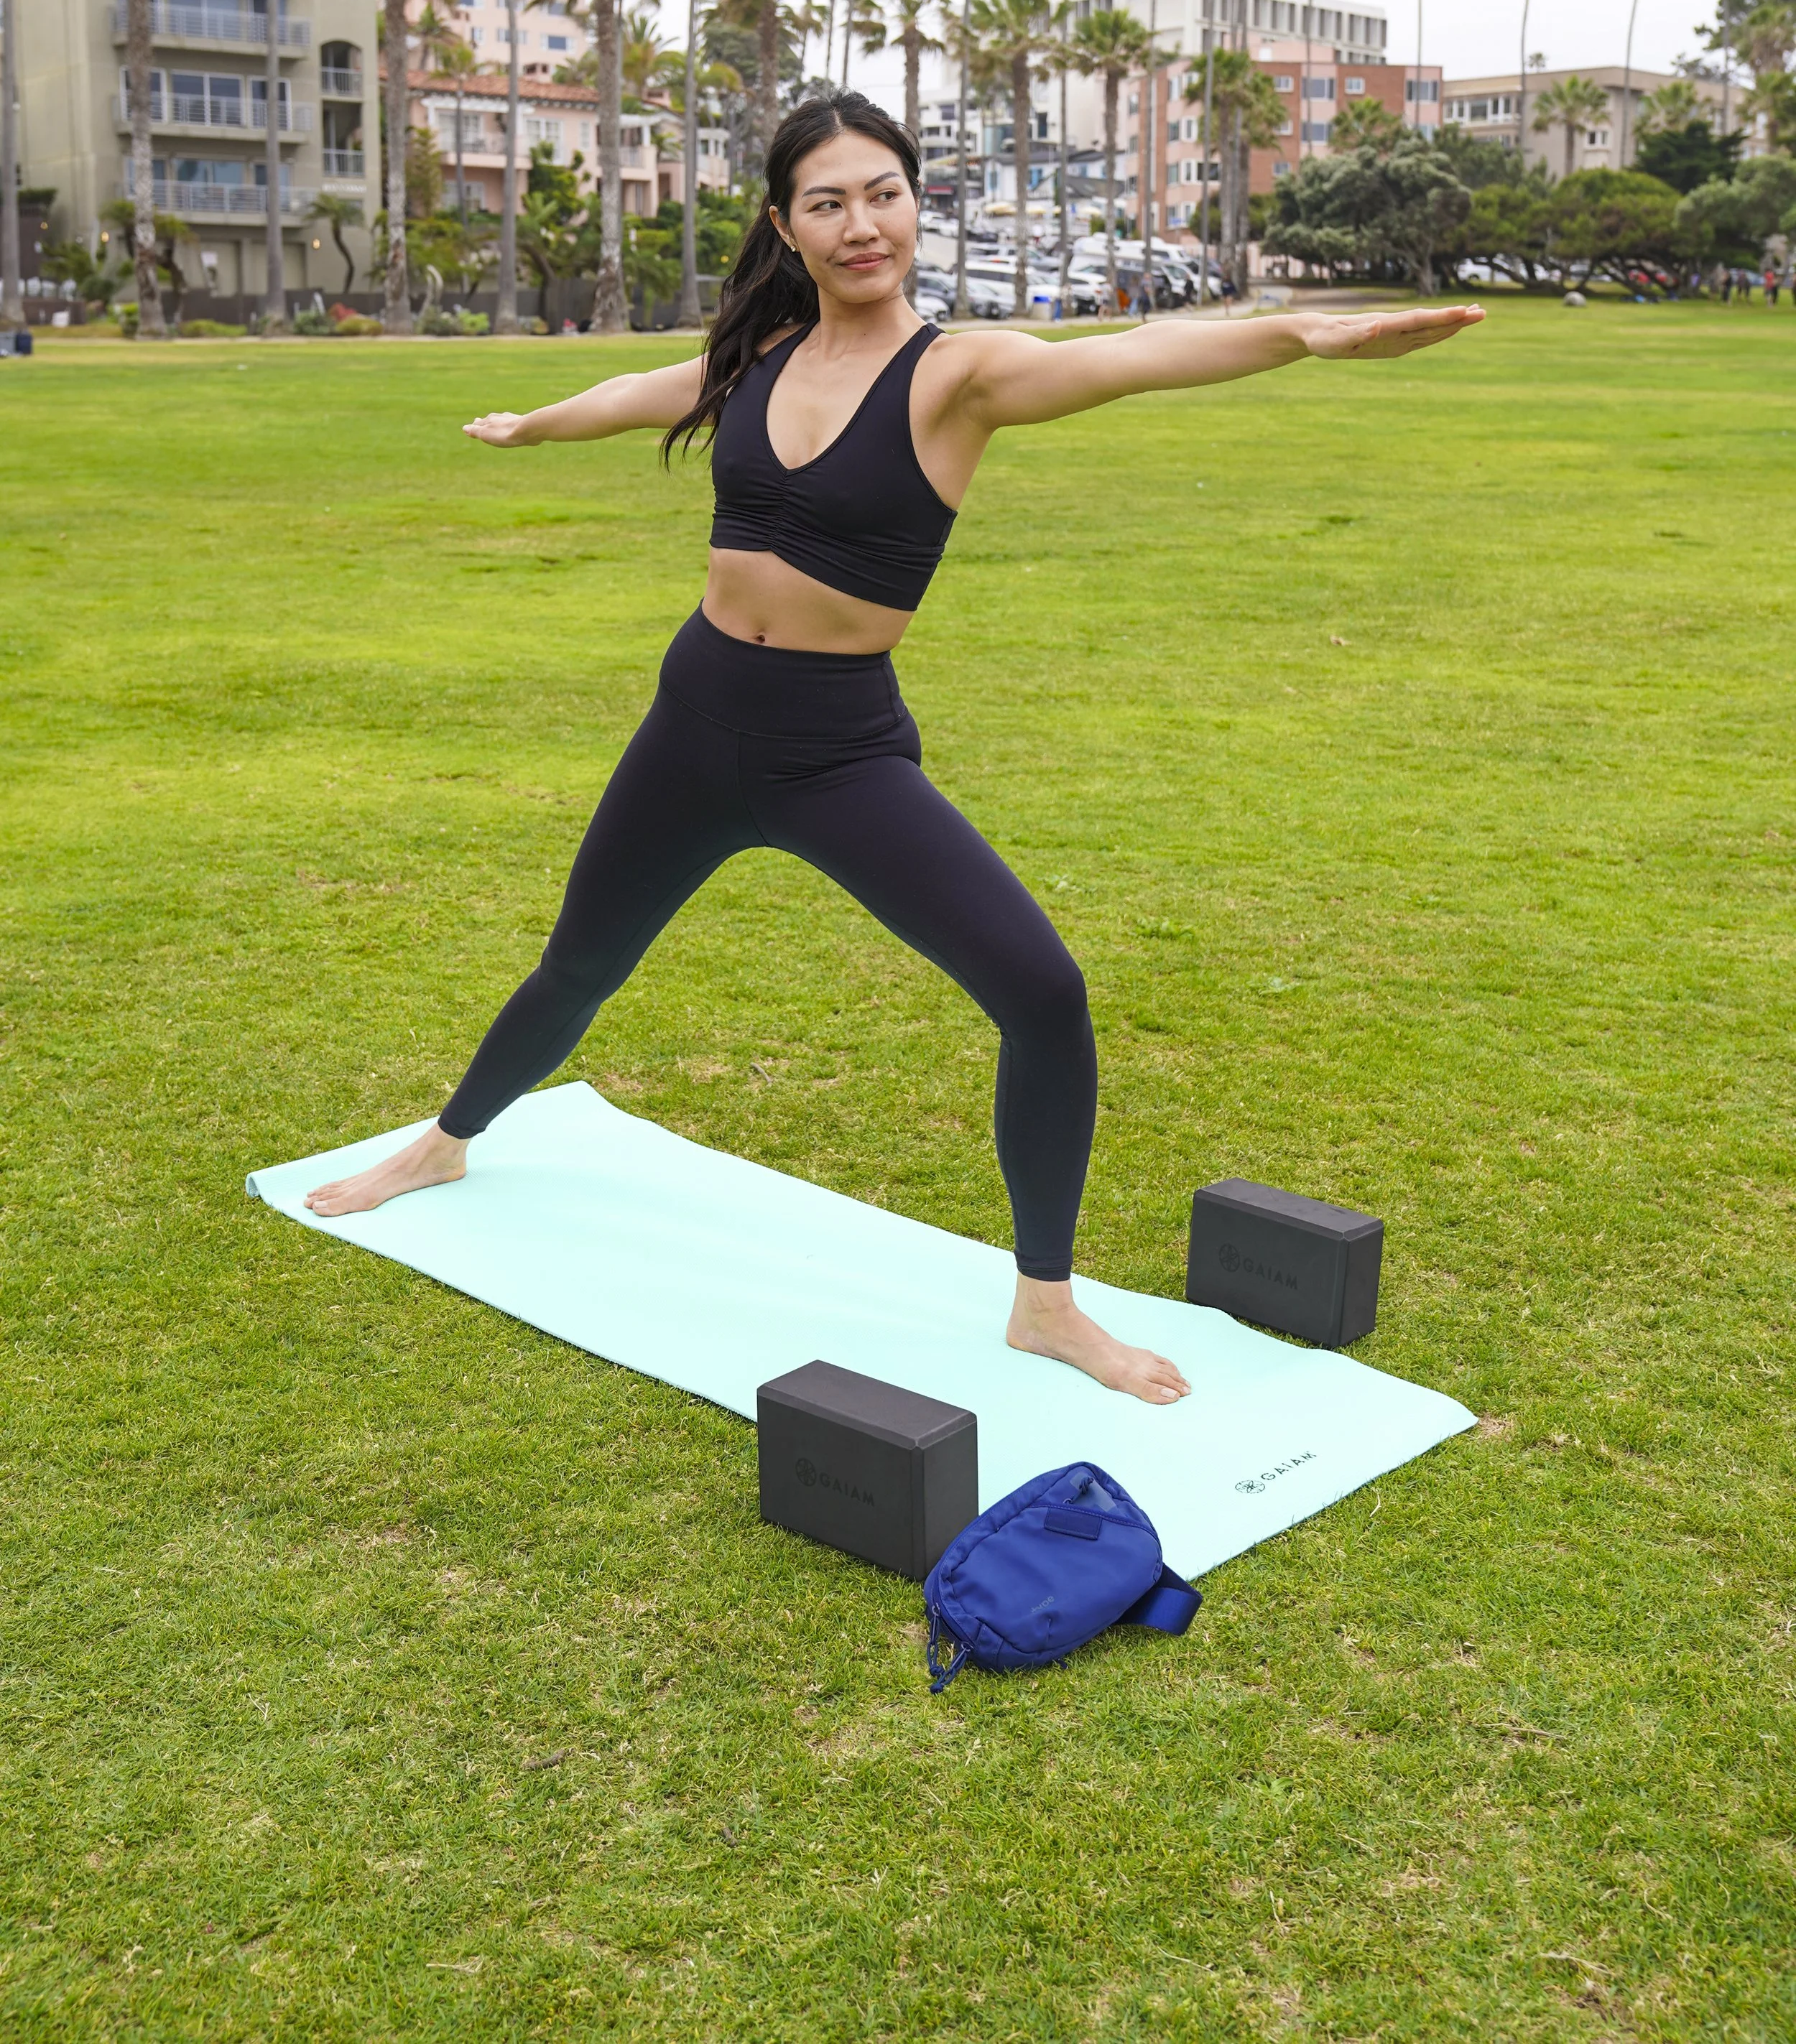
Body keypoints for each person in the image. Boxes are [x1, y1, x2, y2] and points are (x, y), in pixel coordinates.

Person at [306, 93, 1482, 1405]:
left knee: (1043, 994)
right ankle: (447, 1141)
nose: (860, 223)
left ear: (917, 203)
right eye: (827, 201)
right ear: (785, 224)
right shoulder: (756, 357)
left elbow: (1139, 351)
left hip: (837, 750)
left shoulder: (961, 373)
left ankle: (1047, 1303)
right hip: (692, 721)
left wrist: (1311, 332)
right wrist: (535, 423)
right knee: (579, 963)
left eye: (883, 192)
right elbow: (647, 389)